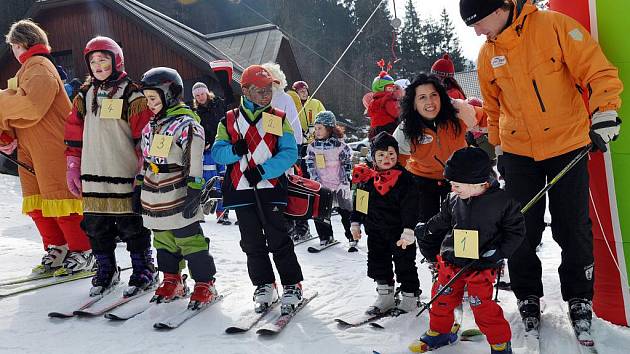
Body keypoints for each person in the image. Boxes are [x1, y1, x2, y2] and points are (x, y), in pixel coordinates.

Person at [459, 0, 623, 337]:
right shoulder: (487, 55)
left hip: (567, 145)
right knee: (520, 227)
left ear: (499, 8)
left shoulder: (554, 26)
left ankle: (579, 297)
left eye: (477, 21)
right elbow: (492, 109)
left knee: (572, 226)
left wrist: (605, 111)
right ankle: (527, 295)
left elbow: (597, 70)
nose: (476, 32)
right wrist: (499, 149)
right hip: (518, 153)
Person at [64, 36, 156, 296]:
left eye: (103, 60)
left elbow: (143, 134)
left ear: (116, 60)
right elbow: (74, 130)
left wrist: (143, 167)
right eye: (93, 61)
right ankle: (106, 268)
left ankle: (142, 267)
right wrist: (72, 163)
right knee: (95, 226)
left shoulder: (132, 93)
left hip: (123, 172)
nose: (98, 65)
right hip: (93, 174)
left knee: (132, 226)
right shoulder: (84, 94)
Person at [411, 147, 525, 354]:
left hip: (480, 265)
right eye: (451, 184)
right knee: (441, 298)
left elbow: (516, 233)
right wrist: (427, 228)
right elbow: (443, 218)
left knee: (482, 306)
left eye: (456, 184)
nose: (453, 188)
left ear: (479, 182)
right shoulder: (454, 198)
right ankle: (440, 332)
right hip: (452, 260)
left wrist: (499, 252)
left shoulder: (503, 202)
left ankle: (500, 342)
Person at [0, 19, 91, 276]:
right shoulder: (26, 70)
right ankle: (57, 247)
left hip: (52, 142)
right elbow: (16, 109)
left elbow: (31, 106)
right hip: (29, 144)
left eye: (14, 47)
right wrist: (5, 136)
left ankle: (83, 251)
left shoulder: (40, 67)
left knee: (60, 198)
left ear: (21, 44)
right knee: (36, 201)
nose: (14, 53)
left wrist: (2, 100)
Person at [212, 65, 304, 315]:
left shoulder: (277, 117)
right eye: (259, 90)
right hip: (240, 191)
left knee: (279, 238)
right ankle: (264, 283)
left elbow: (289, 152)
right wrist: (234, 150)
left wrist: (264, 170)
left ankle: (292, 284)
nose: (265, 95)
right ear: (244, 90)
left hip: (270, 187)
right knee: (251, 242)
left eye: (269, 90)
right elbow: (217, 152)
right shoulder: (229, 120)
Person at [138, 67, 218, 309]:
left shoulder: (186, 123)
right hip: (154, 191)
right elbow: (146, 157)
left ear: (169, 94)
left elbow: (195, 156)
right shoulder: (152, 125)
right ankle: (172, 278)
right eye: (147, 99)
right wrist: (140, 183)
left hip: (178, 189)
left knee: (188, 238)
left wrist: (195, 187)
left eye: (153, 98)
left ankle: (205, 282)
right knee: (162, 239)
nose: (149, 104)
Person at [393, 73, 480, 223]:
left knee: (462, 221)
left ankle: (458, 246)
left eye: (434, 95)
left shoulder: (457, 115)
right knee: (427, 223)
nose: (430, 102)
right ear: (413, 103)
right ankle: (431, 246)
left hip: (457, 177)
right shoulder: (406, 128)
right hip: (422, 179)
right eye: (422, 97)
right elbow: (396, 160)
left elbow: (489, 120)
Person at [350, 132, 420, 314]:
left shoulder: (405, 179)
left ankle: (410, 296)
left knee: (405, 264)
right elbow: (360, 202)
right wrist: (355, 222)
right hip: (375, 231)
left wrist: (408, 229)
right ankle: (385, 296)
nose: (386, 158)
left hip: (399, 233)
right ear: (373, 157)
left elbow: (410, 207)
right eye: (381, 155)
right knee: (377, 262)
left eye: (391, 154)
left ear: (397, 155)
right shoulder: (367, 178)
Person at [261, 63, 308, 242]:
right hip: (265, 151)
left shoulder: (284, 98)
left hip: (283, 150)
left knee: (288, 187)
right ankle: (278, 223)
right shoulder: (259, 99)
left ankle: (297, 224)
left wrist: (295, 149)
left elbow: (295, 126)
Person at [305, 111, 354, 249]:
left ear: (329, 128)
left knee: (346, 211)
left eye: (320, 128)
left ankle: (351, 235)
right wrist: (315, 180)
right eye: (316, 128)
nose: (317, 131)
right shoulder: (312, 147)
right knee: (320, 213)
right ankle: (325, 237)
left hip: (339, 183)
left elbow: (346, 163)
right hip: (322, 184)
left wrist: (345, 181)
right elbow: (310, 164)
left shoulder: (340, 146)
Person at [192, 82, 231, 225]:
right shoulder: (196, 113)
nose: (200, 97)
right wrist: (204, 142)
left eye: (202, 94)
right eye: (197, 96)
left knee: (224, 178)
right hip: (207, 149)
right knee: (208, 180)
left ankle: (223, 211)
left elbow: (227, 121)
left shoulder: (219, 104)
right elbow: (197, 130)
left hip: (223, 147)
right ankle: (205, 207)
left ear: (207, 93)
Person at [367, 70, 400, 139]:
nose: (391, 90)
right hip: (388, 127)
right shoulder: (388, 99)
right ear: (381, 88)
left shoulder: (373, 101)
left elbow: (369, 113)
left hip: (375, 129)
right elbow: (395, 113)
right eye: (389, 88)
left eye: (392, 88)